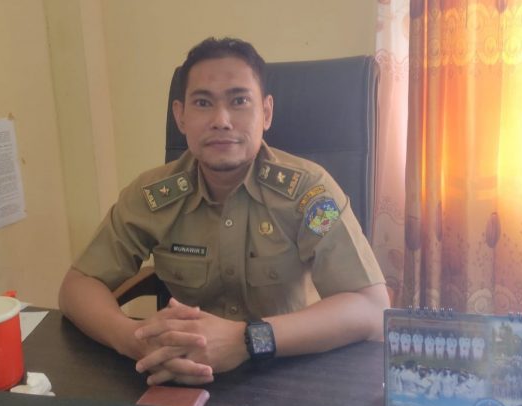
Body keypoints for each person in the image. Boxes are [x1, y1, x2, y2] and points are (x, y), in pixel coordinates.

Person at [58, 37, 389, 386]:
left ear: (266, 113)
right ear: (180, 116)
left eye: (239, 101)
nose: (221, 120)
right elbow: (77, 286)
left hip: (288, 371)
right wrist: (132, 339)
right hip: (183, 375)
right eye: (203, 103)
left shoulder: (309, 192)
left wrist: (247, 340)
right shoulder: (152, 195)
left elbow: (371, 306)